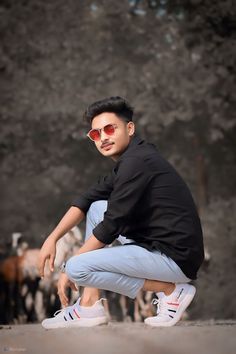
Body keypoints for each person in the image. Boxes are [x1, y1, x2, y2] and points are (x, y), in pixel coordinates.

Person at [38, 96, 204, 329]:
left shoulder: (138, 162)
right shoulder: (132, 160)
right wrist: (52, 238)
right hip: (158, 246)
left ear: (130, 128)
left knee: (77, 267)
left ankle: (171, 290)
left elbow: (112, 225)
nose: (103, 137)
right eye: (95, 134)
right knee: (97, 207)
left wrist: (68, 268)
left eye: (109, 129)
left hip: (174, 258)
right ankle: (88, 306)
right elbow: (86, 200)